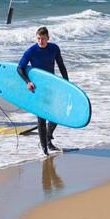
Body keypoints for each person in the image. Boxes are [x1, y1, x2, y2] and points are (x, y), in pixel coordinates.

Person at [17, 26, 69, 155]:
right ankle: (44, 148)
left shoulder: (54, 48)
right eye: (38, 39)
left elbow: (61, 65)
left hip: (51, 85)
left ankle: (47, 139)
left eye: (43, 39)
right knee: (41, 118)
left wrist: (67, 83)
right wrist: (27, 82)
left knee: (56, 114)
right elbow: (19, 68)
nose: (41, 41)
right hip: (38, 88)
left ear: (48, 38)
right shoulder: (31, 51)